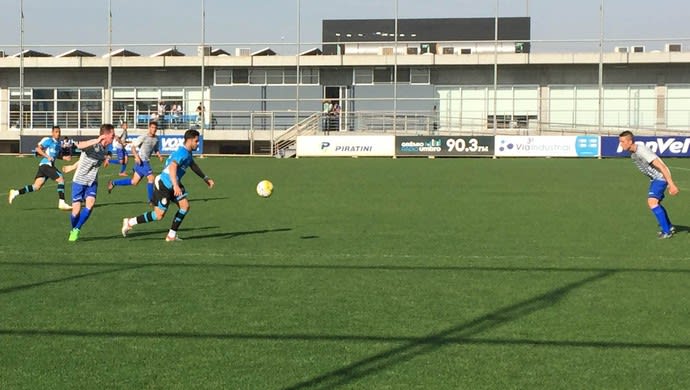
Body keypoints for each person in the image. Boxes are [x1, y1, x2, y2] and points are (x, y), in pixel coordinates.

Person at [121, 129, 214, 242]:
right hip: (164, 183)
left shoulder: (187, 153)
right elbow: (172, 167)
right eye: (196, 141)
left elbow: (192, 164)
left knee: (185, 206)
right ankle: (130, 222)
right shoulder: (182, 153)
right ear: (189, 140)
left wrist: (205, 178)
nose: (197, 143)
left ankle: (171, 235)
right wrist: (175, 186)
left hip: (174, 182)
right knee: (159, 215)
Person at [618, 130, 679, 239]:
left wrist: (671, 184)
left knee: (652, 202)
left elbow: (661, 166)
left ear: (630, 141)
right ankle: (668, 227)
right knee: (656, 203)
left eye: (622, 141)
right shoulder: (633, 153)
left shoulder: (642, 151)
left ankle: (667, 232)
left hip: (661, 177)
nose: (620, 144)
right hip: (655, 179)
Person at [68, 124, 116, 241]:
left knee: (90, 206)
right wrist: (97, 140)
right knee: (76, 212)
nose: (114, 137)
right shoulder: (93, 144)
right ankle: (74, 228)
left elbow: (108, 153)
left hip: (92, 181)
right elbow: (79, 145)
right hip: (79, 180)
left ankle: (77, 229)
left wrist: (107, 158)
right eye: (112, 135)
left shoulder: (108, 147)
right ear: (104, 135)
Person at [8, 125, 73, 210]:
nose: (58, 134)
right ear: (52, 133)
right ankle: (62, 202)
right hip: (46, 165)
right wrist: (47, 156)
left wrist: (64, 158)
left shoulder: (58, 144)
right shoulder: (49, 140)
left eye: (59, 132)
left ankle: (15, 193)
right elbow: (38, 149)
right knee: (61, 179)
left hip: (46, 166)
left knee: (36, 186)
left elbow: (56, 155)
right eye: (56, 132)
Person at [108, 121, 162, 204]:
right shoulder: (143, 137)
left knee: (134, 182)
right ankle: (151, 200)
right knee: (151, 178)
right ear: (149, 128)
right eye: (152, 127)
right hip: (141, 161)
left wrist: (159, 155)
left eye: (155, 128)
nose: (154, 129)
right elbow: (133, 147)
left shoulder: (156, 139)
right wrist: (136, 157)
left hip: (144, 161)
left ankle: (113, 182)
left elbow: (156, 149)